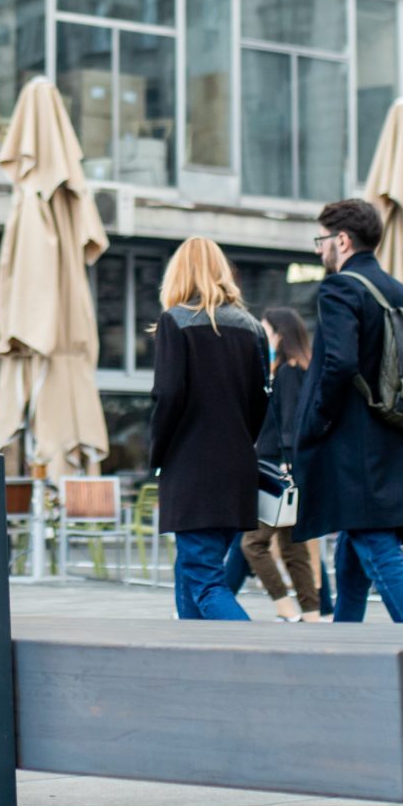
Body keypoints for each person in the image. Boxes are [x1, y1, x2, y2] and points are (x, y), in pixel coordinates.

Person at [291, 199, 403, 626]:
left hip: (356, 447)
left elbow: (339, 364)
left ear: (342, 240)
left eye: (322, 240)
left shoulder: (341, 288)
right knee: (353, 552)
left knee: (377, 549)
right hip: (396, 437)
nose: (319, 250)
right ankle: (342, 647)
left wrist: (317, 419)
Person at [146, 238, 268, 622]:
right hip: (237, 470)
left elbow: (167, 395)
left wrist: (158, 453)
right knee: (192, 574)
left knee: (205, 581)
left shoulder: (175, 322)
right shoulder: (252, 328)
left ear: (178, 274)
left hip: (191, 468)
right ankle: (196, 667)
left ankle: (259, 662)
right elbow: (261, 402)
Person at [241, 306, 323, 621]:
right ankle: (312, 611)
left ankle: (282, 603)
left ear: (280, 334)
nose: (263, 337)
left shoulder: (289, 371)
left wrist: (288, 464)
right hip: (289, 466)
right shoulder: (300, 369)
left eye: (266, 331)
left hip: (278, 466)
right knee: (293, 547)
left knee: (253, 543)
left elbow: (290, 423)